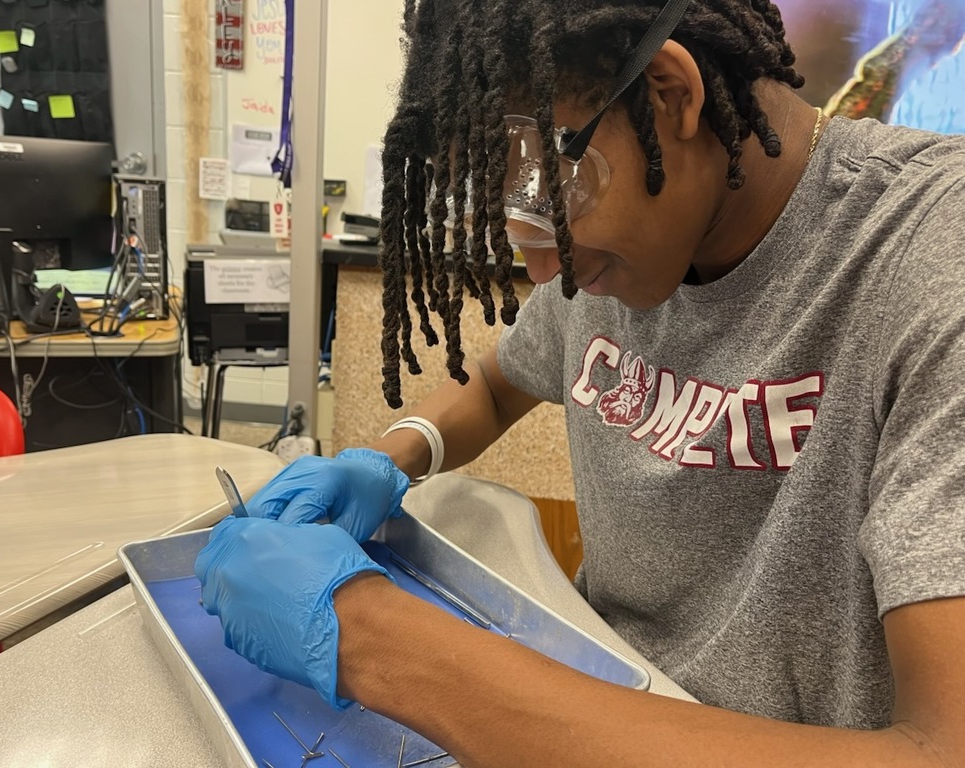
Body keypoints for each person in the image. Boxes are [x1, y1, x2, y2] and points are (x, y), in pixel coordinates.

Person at [195, 0, 965, 764]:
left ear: (671, 93)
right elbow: (497, 384)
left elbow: (941, 749)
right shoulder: (620, 256)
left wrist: (369, 638)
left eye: (551, 195)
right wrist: (389, 457)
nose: (542, 265)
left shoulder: (930, 261)